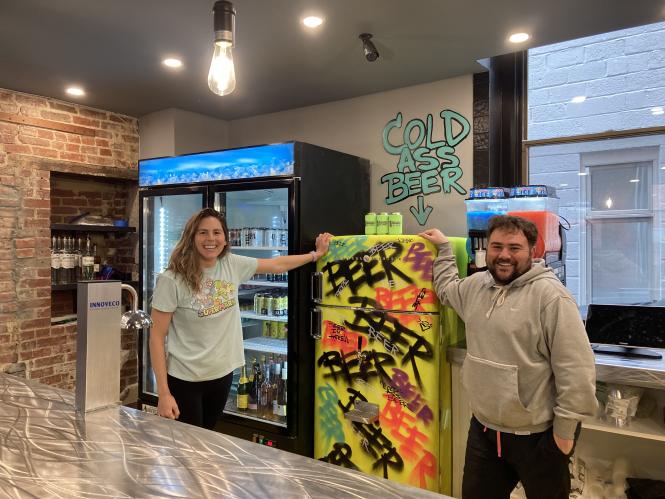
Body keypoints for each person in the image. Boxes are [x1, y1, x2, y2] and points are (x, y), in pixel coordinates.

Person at [420, 215, 598, 499]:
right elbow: (446, 290)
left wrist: (563, 437)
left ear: (533, 251)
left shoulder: (551, 297)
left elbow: (576, 371)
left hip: (539, 438)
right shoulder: (476, 287)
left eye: (514, 248)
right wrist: (443, 249)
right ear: (486, 249)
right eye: (496, 246)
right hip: (484, 432)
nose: (504, 255)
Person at [150, 207, 332, 429]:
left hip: (222, 374)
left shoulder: (231, 264)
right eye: (203, 232)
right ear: (191, 237)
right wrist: (163, 393)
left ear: (225, 239)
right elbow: (157, 337)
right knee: (188, 449)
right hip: (186, 379)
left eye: (217, 232)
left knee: (208, 437)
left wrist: (316, 255)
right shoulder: (171, 279)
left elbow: (277, 264)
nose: (211, 239)